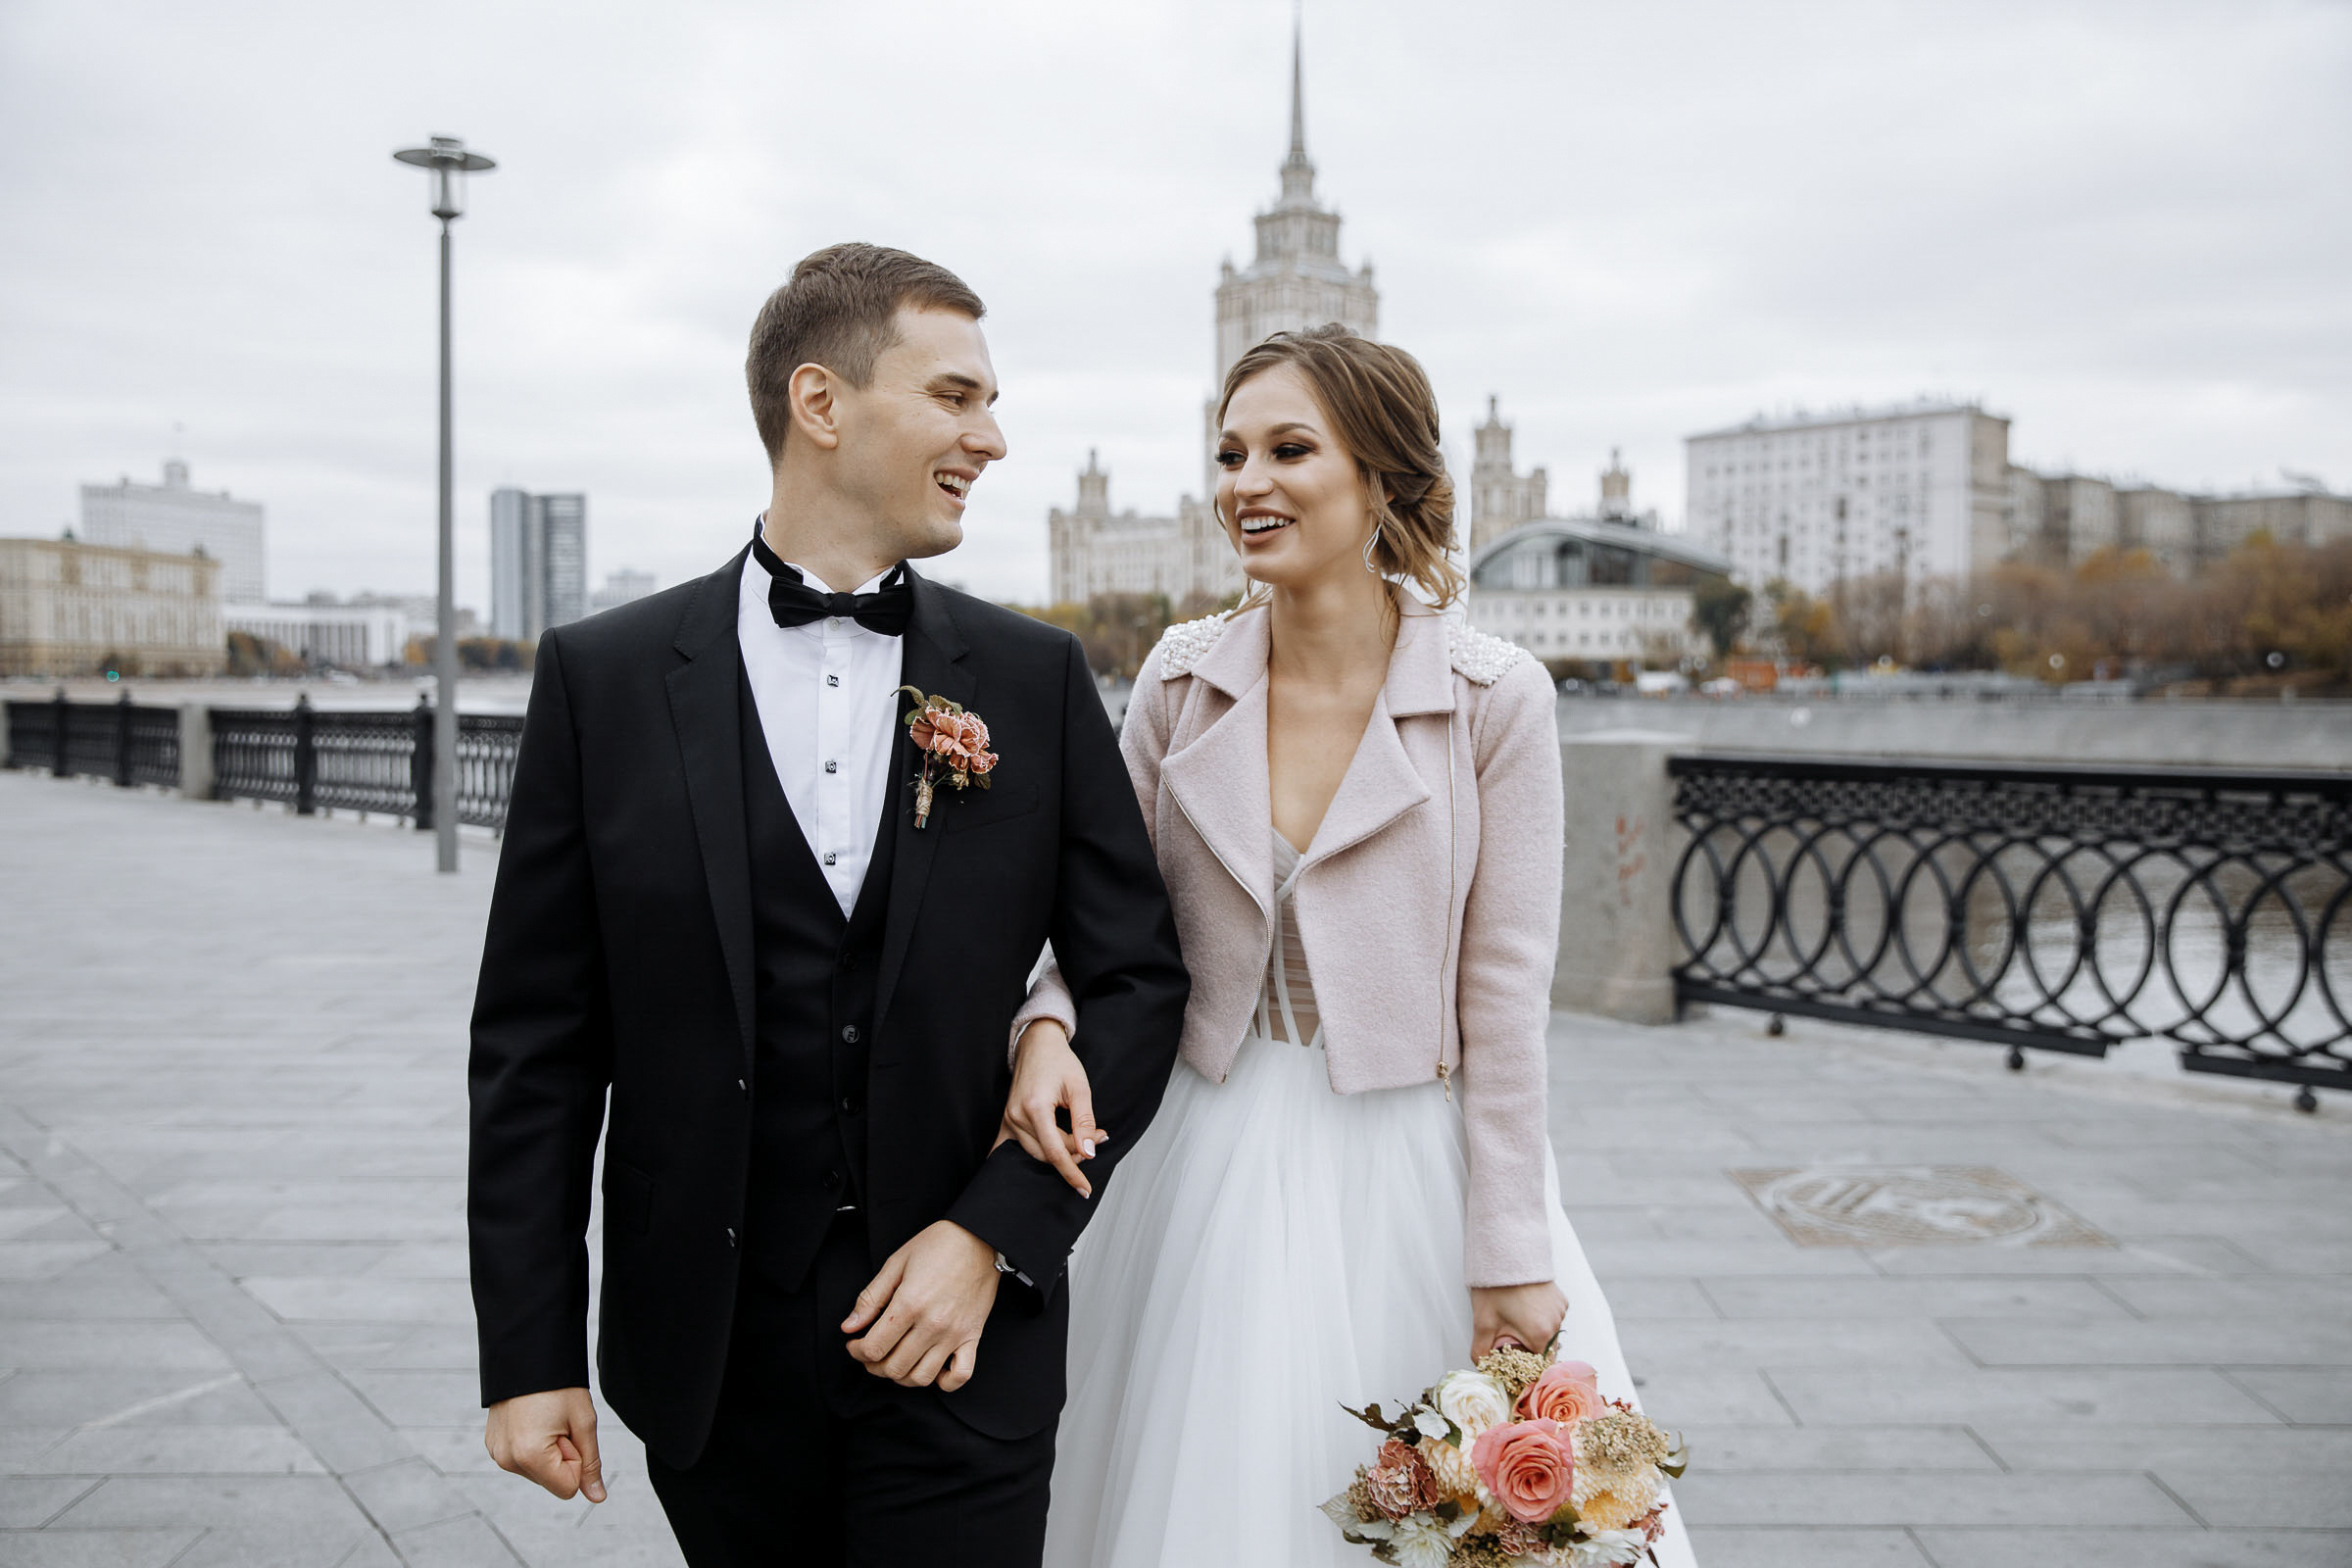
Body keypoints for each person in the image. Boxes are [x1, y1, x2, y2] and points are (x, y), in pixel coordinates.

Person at [466, 242, 1190, 1568]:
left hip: (969, 1351)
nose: (995, 436)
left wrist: (995, 1236)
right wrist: (526, 1353)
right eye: (958, 397)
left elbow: (1139, 978)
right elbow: (536, 1051)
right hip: (709, 1365)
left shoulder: (1032, 680)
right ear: (822, 404)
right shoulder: (604, 681)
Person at [1002, 325, 1696, 1566]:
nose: (1244, 484)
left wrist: (1511, 1252)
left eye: (1287, 449)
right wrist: (1046, 1021)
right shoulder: (1176, 680)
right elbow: (1100, 916)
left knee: (1450, 1520)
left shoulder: (1496, 696)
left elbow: (1505, 996)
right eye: (1228, 453)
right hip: (1194, 1155)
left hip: (1411, 1169)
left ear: (1380, 477)